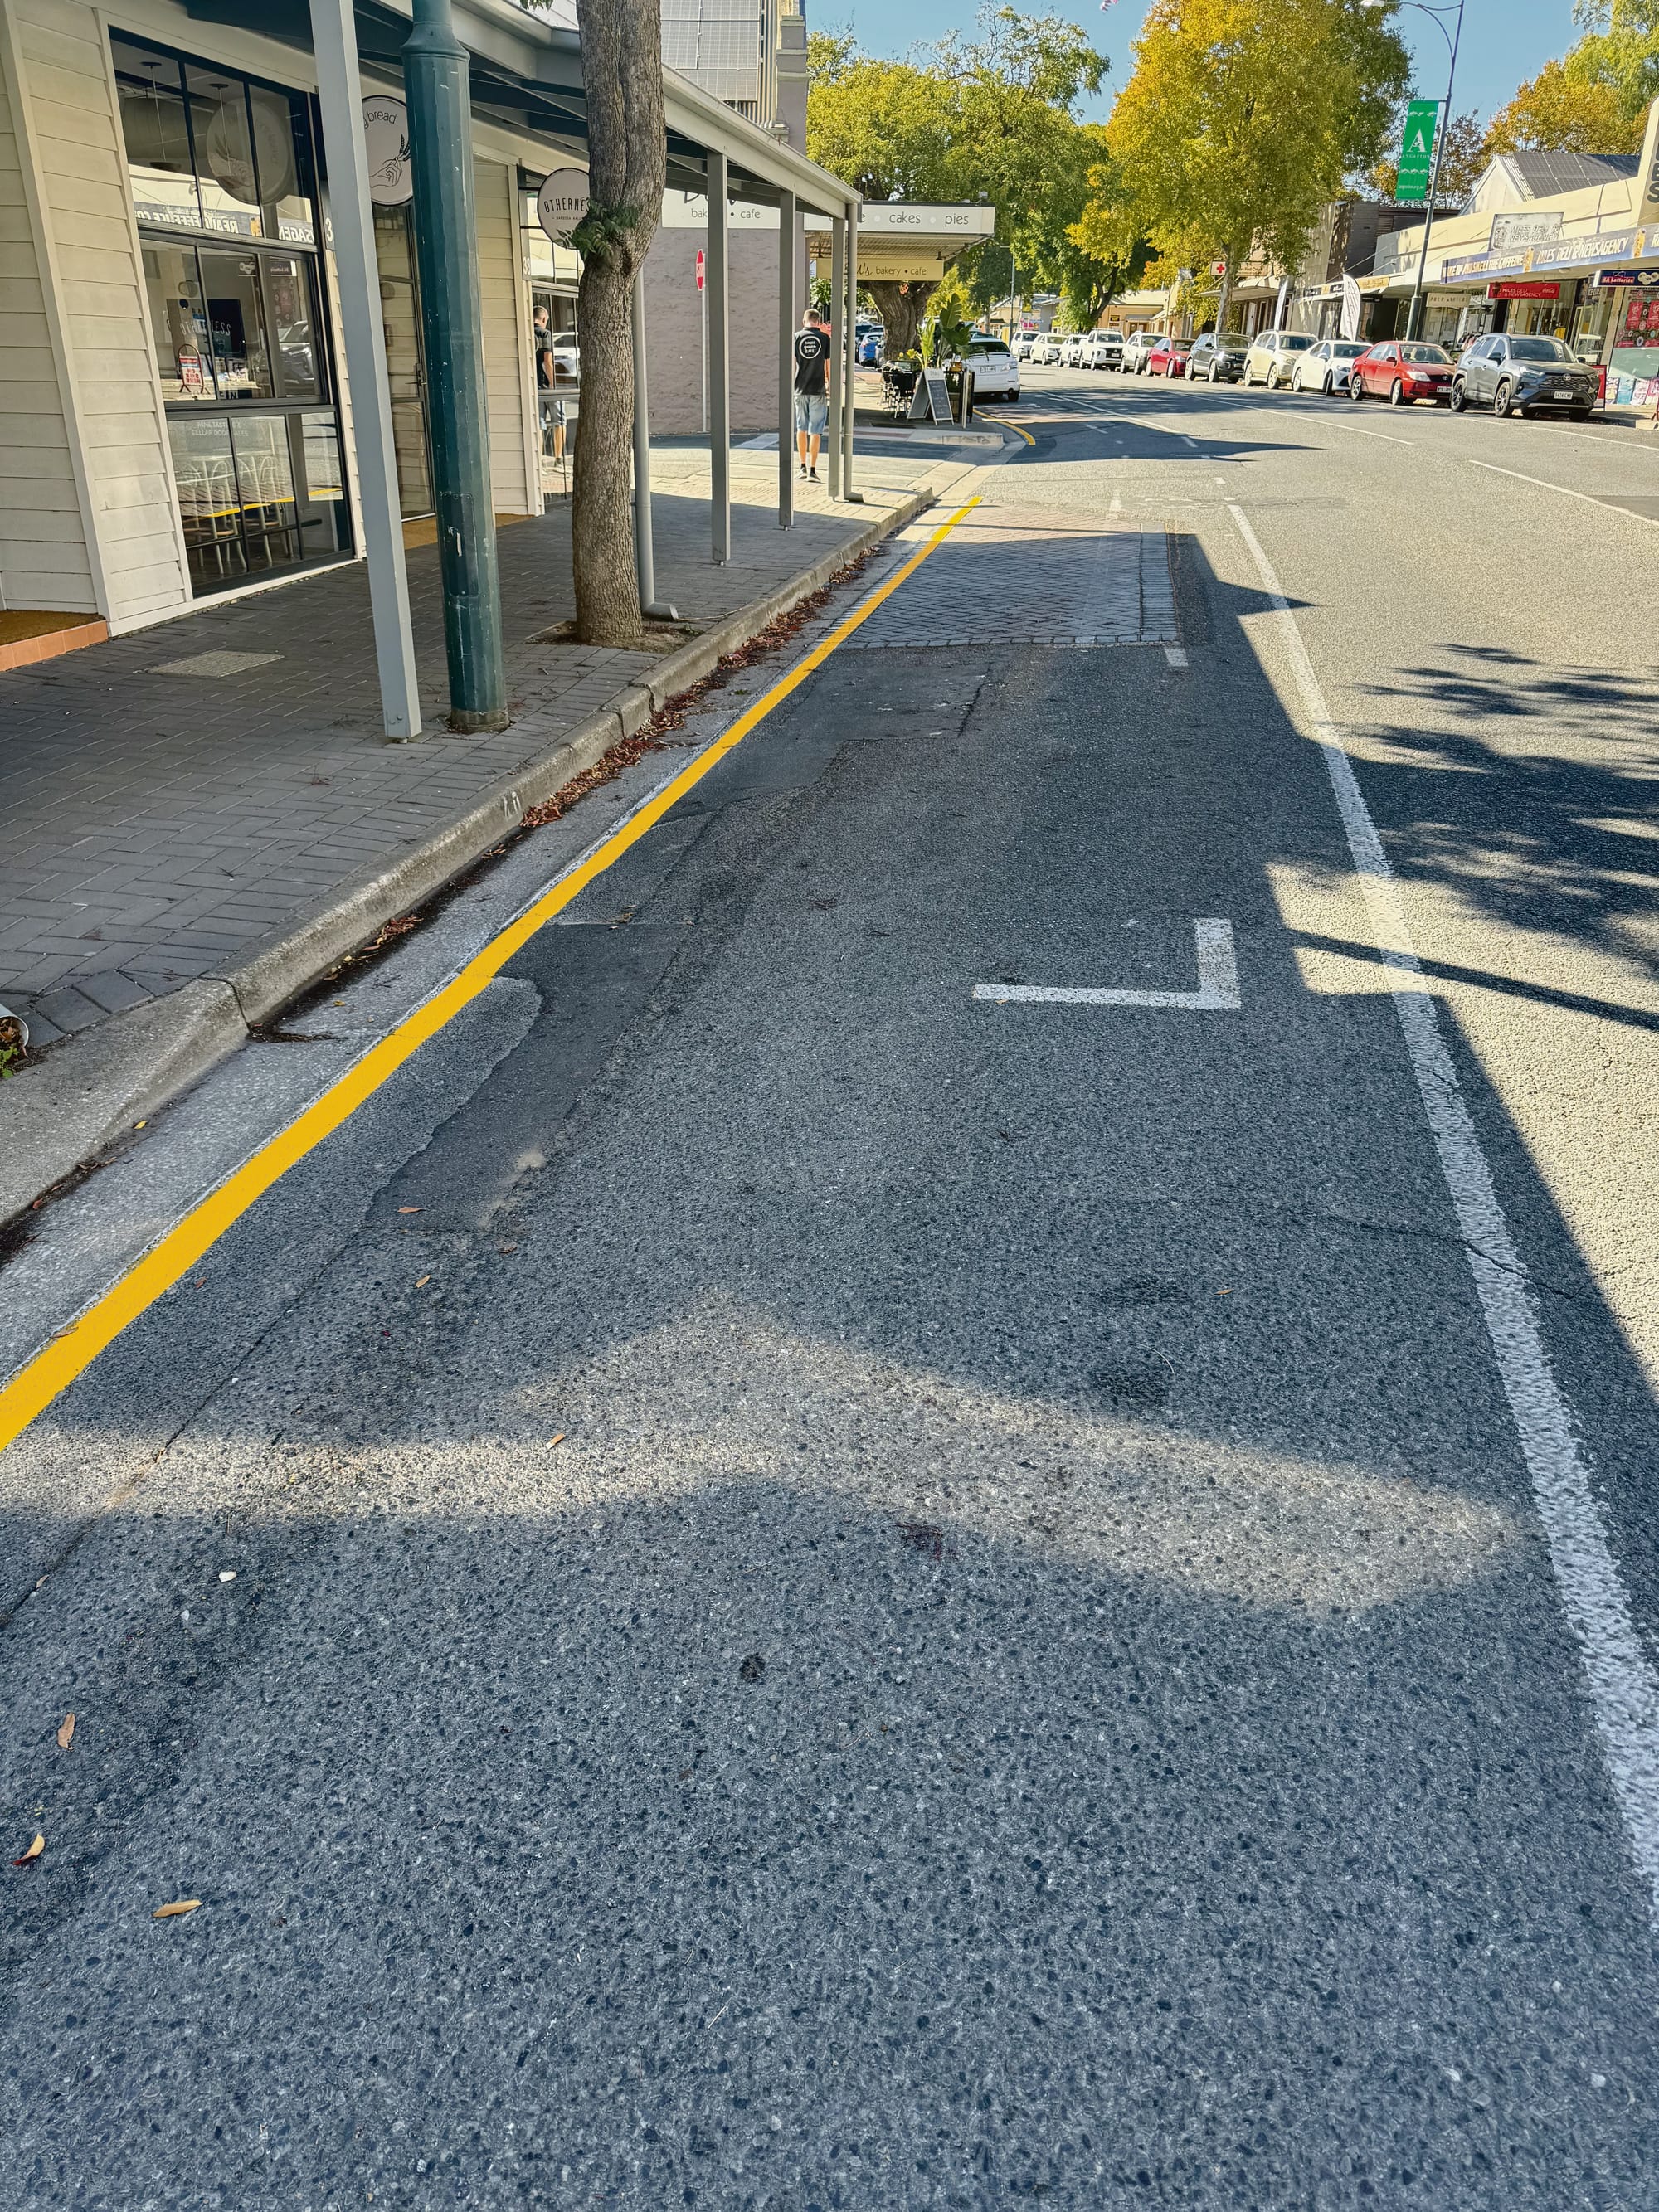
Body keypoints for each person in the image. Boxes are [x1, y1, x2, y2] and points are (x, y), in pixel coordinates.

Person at [792, 307, 830, 483]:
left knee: (801, 428)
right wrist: (829, 384)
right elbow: (827, 365)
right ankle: (813, 471)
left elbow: (793, 363)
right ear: (818, 322)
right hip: (818, 389)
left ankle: (802, 467)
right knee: (816, 431)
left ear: (804, 321)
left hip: (799, 388)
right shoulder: (824, 338)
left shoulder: (796, 337)